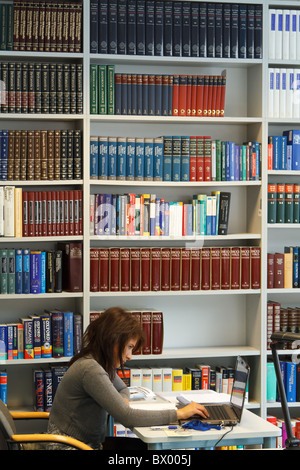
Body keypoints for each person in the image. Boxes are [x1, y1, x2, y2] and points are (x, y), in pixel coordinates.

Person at [46, 307, 209, 450]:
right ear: (113, 341)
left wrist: (122, 399)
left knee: (149, 448)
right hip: (70, 446)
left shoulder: (98, 362)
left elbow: (123, 389)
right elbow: (128, 417)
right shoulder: (91, 369)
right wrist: (179, 414)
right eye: (129, 347)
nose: (130, 356)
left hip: (85, 443)